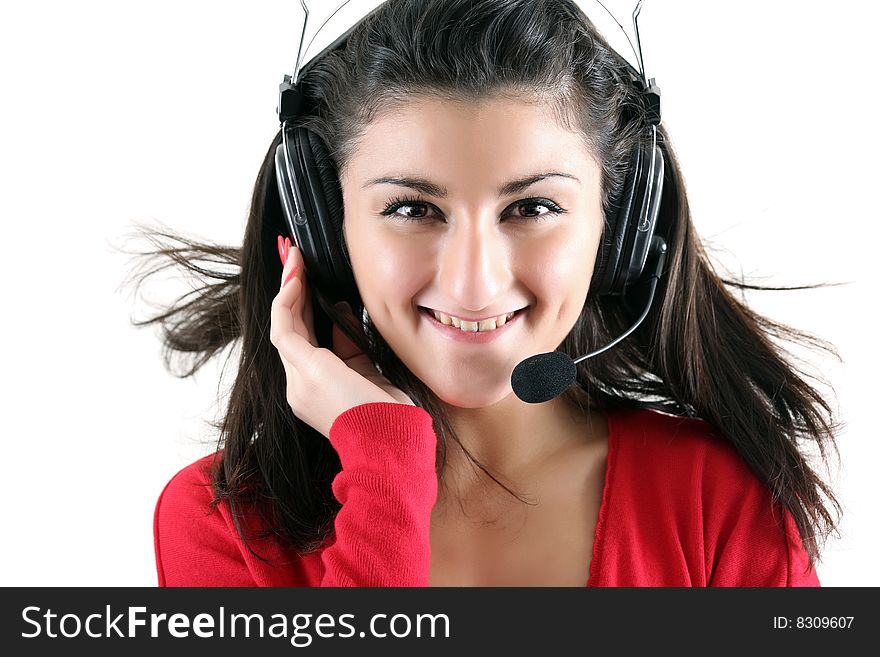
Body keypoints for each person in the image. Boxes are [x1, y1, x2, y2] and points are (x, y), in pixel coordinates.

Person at [134, 0, 841, 586]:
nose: (474, 282)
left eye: (532, 208)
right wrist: (385, 464)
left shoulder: (720, 504)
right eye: (413, 209)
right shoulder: (221, 525)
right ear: (325, 229)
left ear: (618, 226)